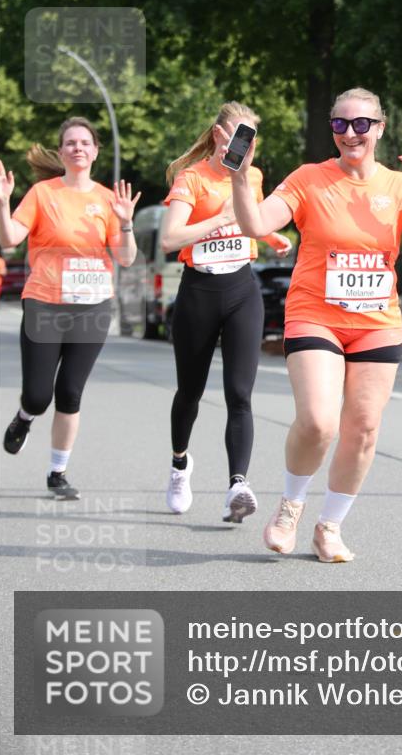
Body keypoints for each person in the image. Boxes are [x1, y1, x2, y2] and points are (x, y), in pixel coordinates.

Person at [216, 87, 402, 562]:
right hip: (315, 313)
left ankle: (330, 527)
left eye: (361, 124)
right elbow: (257, 225)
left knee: (363, 427)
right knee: (320, 422)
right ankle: (290, 507)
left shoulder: (399, 187)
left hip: (376, 322)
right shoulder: (308, 179)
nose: (350, 133)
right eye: (341, 124)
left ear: (379, 129)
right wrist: (240, 178)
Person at [0, 117, 140, 499]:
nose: (78, 148)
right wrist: (2, 201)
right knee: (39, 395)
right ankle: (25, 416)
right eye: (71, 143)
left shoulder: (110, 199)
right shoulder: (43, 194)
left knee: (71, 392)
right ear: (61, 152)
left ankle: (57, 473)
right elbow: (10, 240)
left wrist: (125, 225)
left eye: (85, 142)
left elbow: (125, 259)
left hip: (92, 307)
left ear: (95, 152)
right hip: (44, 303)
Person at [161, 102, 292, 522]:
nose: (244, 146)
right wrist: (216, 220)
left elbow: (249, 219)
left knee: (240, 394)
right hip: (199, 290)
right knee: (190, 392)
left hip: (241, 288)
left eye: (251, 138)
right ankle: (180, 464)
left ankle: (238, 484)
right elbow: (169, 238)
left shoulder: (251, 176)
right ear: (219, 135)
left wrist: (271, 238)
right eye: (238, 136)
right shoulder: (192, 178)